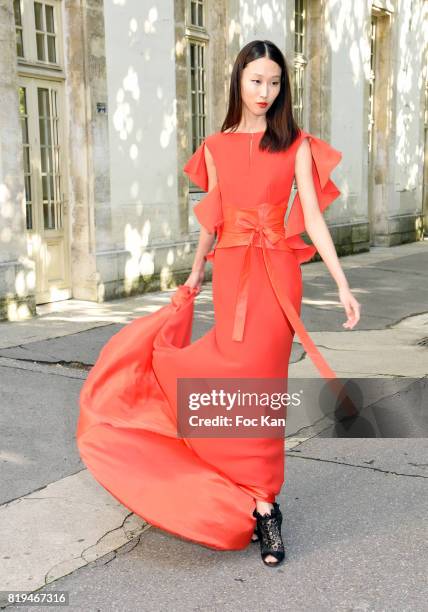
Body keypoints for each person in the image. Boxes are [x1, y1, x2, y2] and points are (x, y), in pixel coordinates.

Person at [76, 40, 361, 568]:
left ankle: (266, 506)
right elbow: (213, 220)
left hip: (276, 276)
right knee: (225, 385)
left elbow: (314, 220)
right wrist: (192, 277)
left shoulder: (297, 143)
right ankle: (233, 487)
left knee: (261, 392)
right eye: (256, 81)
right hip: (232, 276)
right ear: (238, 81)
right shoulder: (214, 146)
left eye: (275, 83)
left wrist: (342, 283)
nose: (265, 92)